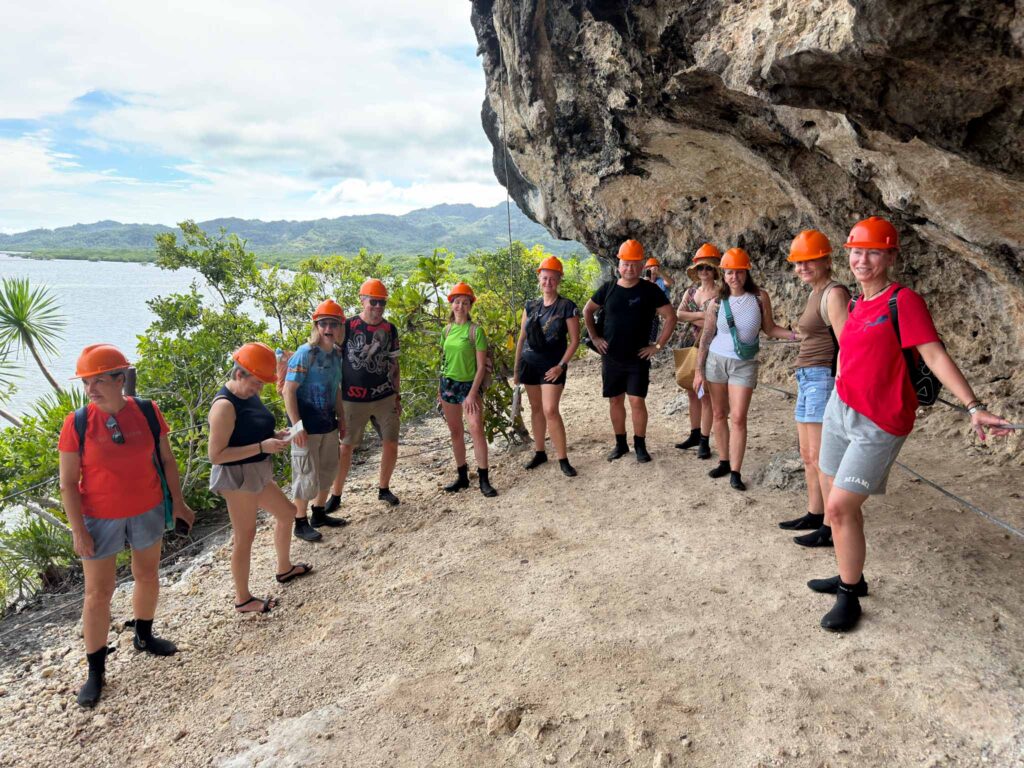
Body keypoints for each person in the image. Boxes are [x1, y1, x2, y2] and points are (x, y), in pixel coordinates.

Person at [810, 216, 1010, 631]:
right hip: (840, 410)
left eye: (872, 252)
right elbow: (849, 355)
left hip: (880, 422)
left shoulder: (903, 301)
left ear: (890, 255)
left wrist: (973, 406)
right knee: (836, 501)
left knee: (839, 507)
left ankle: (849, 597)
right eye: (856, 252)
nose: (862, 260)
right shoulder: (856, 304)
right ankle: (852, 575)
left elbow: (934, 356)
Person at [58, 344, 195, 708]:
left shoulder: (148, 412)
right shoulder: (78, 422)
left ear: (121, 379)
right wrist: (78, 530)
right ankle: (95, 671)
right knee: (97, 594)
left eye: (100, 379)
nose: (91, 388)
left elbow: (166, 460)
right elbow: (68, 483)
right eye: (88, 381)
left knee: (147, 575)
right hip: (98, 518)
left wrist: (178, 503)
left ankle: (144, 636)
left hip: (147, 508)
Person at [208, 343, 313, 615]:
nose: (260, 389)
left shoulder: (248, 393)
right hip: (236, 477)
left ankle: (284, 569)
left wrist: (278, 436)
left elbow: (252, 429)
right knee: (245, 535)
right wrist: (261, 447)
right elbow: (216, 455)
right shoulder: (223, 406)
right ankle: (242, 599)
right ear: (239, 374)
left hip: (256, 471)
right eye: (256, 382)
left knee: (288, 513)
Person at [692, 248, 796, 491]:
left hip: (744, 364)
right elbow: (706, 337)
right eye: (729, 272)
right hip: (716, 361)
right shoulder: (716, 302)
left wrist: (794, 334)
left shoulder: (760, 297)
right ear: (723, 274)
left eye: (739, 272)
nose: (734, 277)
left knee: (738, 417)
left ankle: (736, 471)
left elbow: (769, 328)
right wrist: (698, 371)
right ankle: (724, 461)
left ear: (747, 272)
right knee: (719, 414)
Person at [776, 231, 851, 547]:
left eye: (808, 261)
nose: (802, 268)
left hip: (822, 377)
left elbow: (847, 343)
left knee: (823, 457)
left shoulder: (834, 293)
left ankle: (831, 527)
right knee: (808, 454)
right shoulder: (815, 292)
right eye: (798, 263)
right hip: (807, 377)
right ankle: (814, 512)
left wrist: (844, 384)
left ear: (825, 260)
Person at [583, 239, 677, 463]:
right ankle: (620, 444)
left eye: (634, 264)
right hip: (612, 357)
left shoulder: (650, 290)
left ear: (642, 264)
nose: (630, 268)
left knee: (636, 401)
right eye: (626, 263)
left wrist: (657, 346)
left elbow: (671, 317)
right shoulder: (608, 288)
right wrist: (595, 338)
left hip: (637, 357)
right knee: (615, 401)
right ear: (619, 265)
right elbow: (587, 311)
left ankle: (640, 445)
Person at [325, 279, 402, 511]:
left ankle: (384, 488)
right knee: (345, 447)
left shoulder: (390, 329)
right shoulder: (347, 326)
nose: (378, 307)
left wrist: (397, 396)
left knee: (390, 443)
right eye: (374, 302)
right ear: (362, 300)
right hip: (352, 399)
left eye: (382, 303)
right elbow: (333, 360)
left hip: (384, 396)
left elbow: (395, 364)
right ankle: (336, 494)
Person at [283, 300, 347, 542]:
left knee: (328, 470)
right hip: (305, 427)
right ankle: (300, 522)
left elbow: (336, 388)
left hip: (327, 423)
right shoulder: (305, 354)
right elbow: (288, 391)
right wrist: (296, 425)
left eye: (333, 324)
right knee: (305, 474)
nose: (328, 329)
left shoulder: (336, 354)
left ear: (340, 327)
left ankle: (318, 513)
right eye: (323, 324)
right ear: (316, 327)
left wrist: (341, 417)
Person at [513, 256, 581, 476]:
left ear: (559, 279)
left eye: (552, 278)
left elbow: (574, 340)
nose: (548, 282)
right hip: (529, 363)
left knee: (550, 410)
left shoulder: (566, 307)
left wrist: (561, 365)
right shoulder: (530, 306)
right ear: (539, 279)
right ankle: (540, 452)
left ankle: (563, 458)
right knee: (536, 409)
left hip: (553, 365)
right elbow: (521, 339)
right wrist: (516, 370)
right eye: (545, 278)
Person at [439, 282, 497, 497]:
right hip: (448, 385)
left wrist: (473, 393)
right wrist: (440, 388)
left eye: (464, 302)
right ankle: (462, 477)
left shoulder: (475, 331)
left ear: (470, 306)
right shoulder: (446, 330)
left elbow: (481, 366)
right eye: (457, 302)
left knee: (475, 429)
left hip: (469, 385)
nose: (460, 306)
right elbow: (444, 360)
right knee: (455, 432)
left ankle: (484, 478)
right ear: (451, 304)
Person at [674, 243, 721, 459]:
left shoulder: (722, 293)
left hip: (712, 346)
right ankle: (694, 433)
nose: (704, 272)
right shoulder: (691, 292)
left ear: (715, 271)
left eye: (708, 268)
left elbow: (722, 321)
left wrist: (701, 319)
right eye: (701, 269)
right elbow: (679, 314)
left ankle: (704, 439)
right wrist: (704, 317)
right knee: (691, 391)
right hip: (691, 344)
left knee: (706, 395)